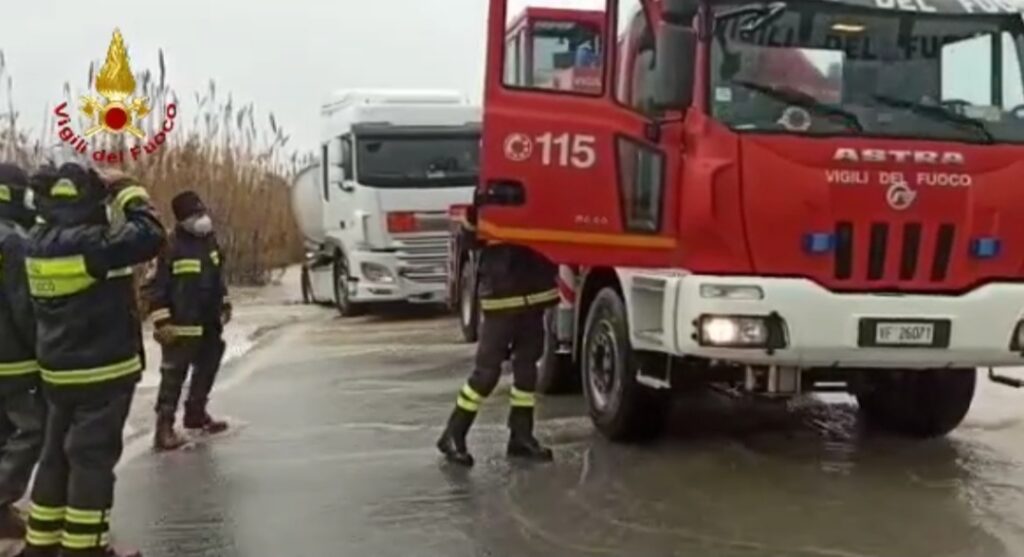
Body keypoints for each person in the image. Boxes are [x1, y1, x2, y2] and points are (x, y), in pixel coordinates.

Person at [22, 162, 165, 557]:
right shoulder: (93, 244)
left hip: (58, 373)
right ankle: (85, 548)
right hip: (103, 372)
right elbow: (150, 234)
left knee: (55, 458)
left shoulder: (36, 240)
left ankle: (42, 543)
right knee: (91, 461)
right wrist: (126, 188)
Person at [436, 206, 559, 467]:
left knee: (527, 370)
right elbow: (469, 240)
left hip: (534, 293)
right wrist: (472, 220)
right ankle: (453, 434)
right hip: (502, 295)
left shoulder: (542, 192)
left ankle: (521, 436)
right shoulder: (490, 197)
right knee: (486, 373)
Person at [143, 190, 230, 452]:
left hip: (209, 323)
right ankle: (164, 428)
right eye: (195, 215)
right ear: (181, 220)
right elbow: (152, 288)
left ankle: (196, 413)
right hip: (180, 326)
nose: (201, 219)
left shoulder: (209, 241)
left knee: (209, 363)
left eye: (202, 212)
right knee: (173, 374)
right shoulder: (168, 247)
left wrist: (225, 303)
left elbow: (218, 276)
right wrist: (162, 323)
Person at [0, 164, 45, 539]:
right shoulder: (13, 241)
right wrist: (45, 347)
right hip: (13, 357)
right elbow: (24, 305)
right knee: (31, 429)